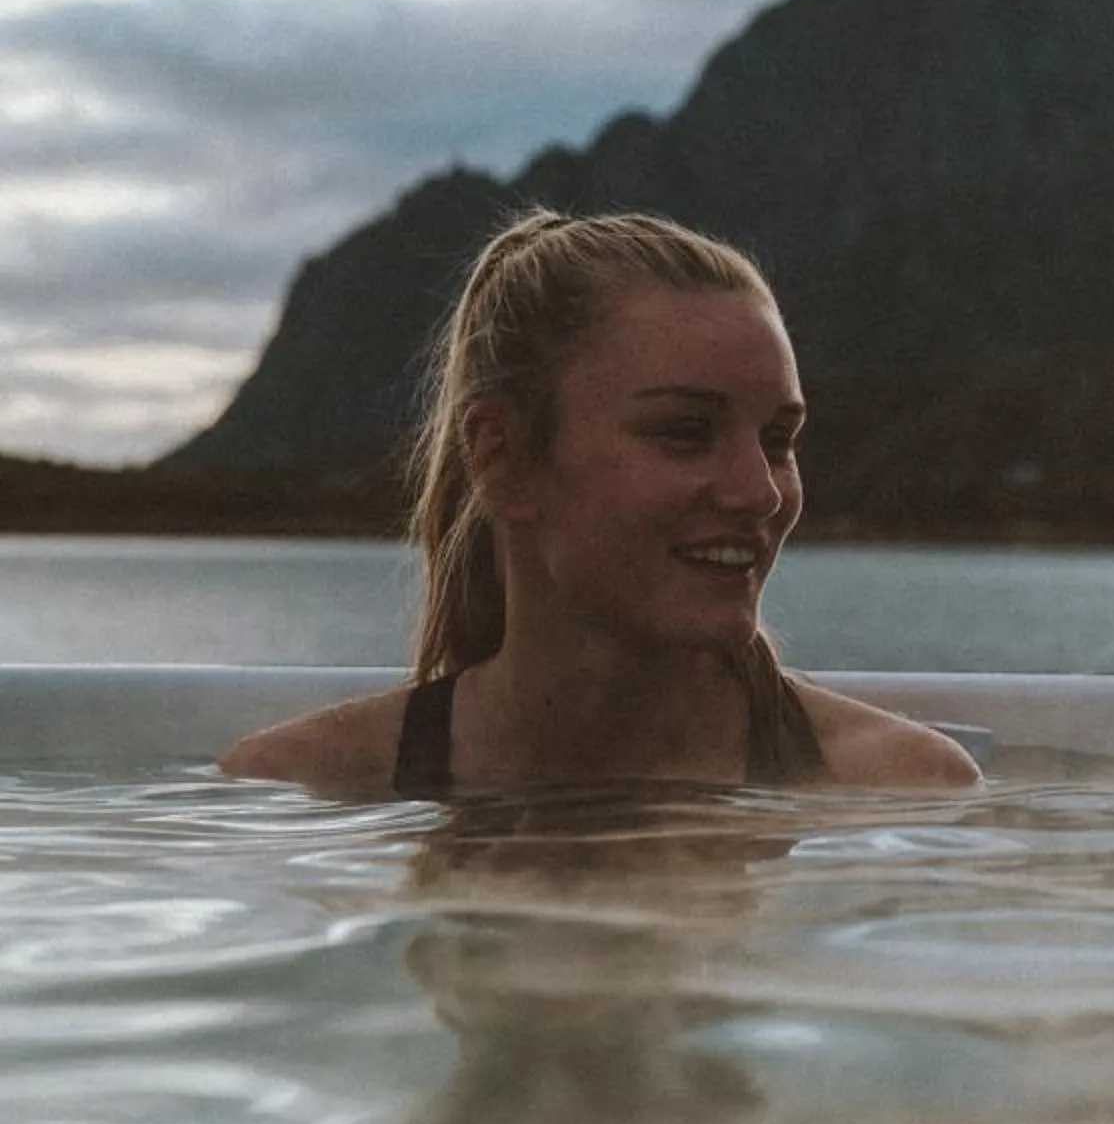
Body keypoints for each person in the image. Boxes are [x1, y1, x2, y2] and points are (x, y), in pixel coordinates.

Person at [223, 209, 979, 795]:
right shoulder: (296, 791)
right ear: (504, 460)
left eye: (779, 440)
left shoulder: (903, 792)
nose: (758, 493)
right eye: (685, 432)